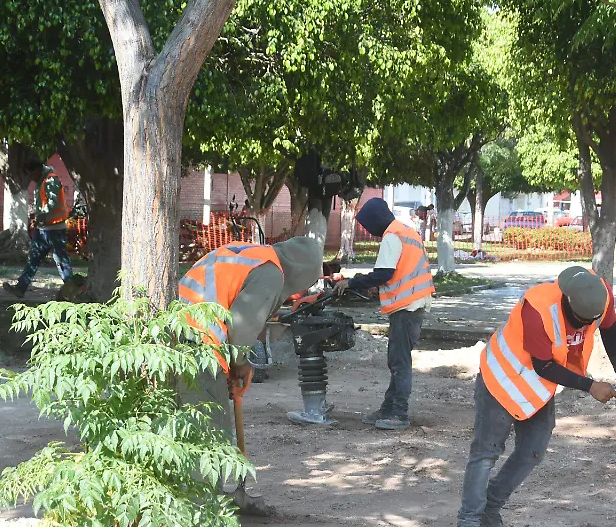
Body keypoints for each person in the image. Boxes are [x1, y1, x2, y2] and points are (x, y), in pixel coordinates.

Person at [454, 266, 616, 527]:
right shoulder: (538, 307)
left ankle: (490, 512)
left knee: (533, 452)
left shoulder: (599, 295)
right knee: (485, 455)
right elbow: (544, 365)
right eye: (580, 324)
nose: (582, 329)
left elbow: (610, 327)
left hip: (536, 387)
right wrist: (590, 386)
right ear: (569, 307)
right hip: (502, 378)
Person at [177, 206, 327, 510]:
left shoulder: (255, 254)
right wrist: (242, 364)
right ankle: (200, 509)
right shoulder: (271, 273)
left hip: (180, 327)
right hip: (199, 340)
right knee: (210, 426)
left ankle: (196, 499)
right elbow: (241, 328)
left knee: (189, 423)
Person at [334, 197, 435, 430]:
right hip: (415, 302)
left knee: (399, 362)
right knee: (397, 359)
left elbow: (384, 274)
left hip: (406, 305)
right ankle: (388, 408)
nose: (370, 232)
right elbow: (400, 270)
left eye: (368, 226)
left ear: (375, 221)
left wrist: (352, 283)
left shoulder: (392, 236)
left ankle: (399, 413)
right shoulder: (406, 231)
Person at [4, 158, 72, 298]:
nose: (30, 177)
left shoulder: (51, 180)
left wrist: (38, 214)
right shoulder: (41, 182)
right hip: (43, 229)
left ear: (38, 170)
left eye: (31, 174)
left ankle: (72, 291)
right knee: (33, 259)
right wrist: (38, 218)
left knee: (61, 261)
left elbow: (52, 204)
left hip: (55, 229)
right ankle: (20, 288)